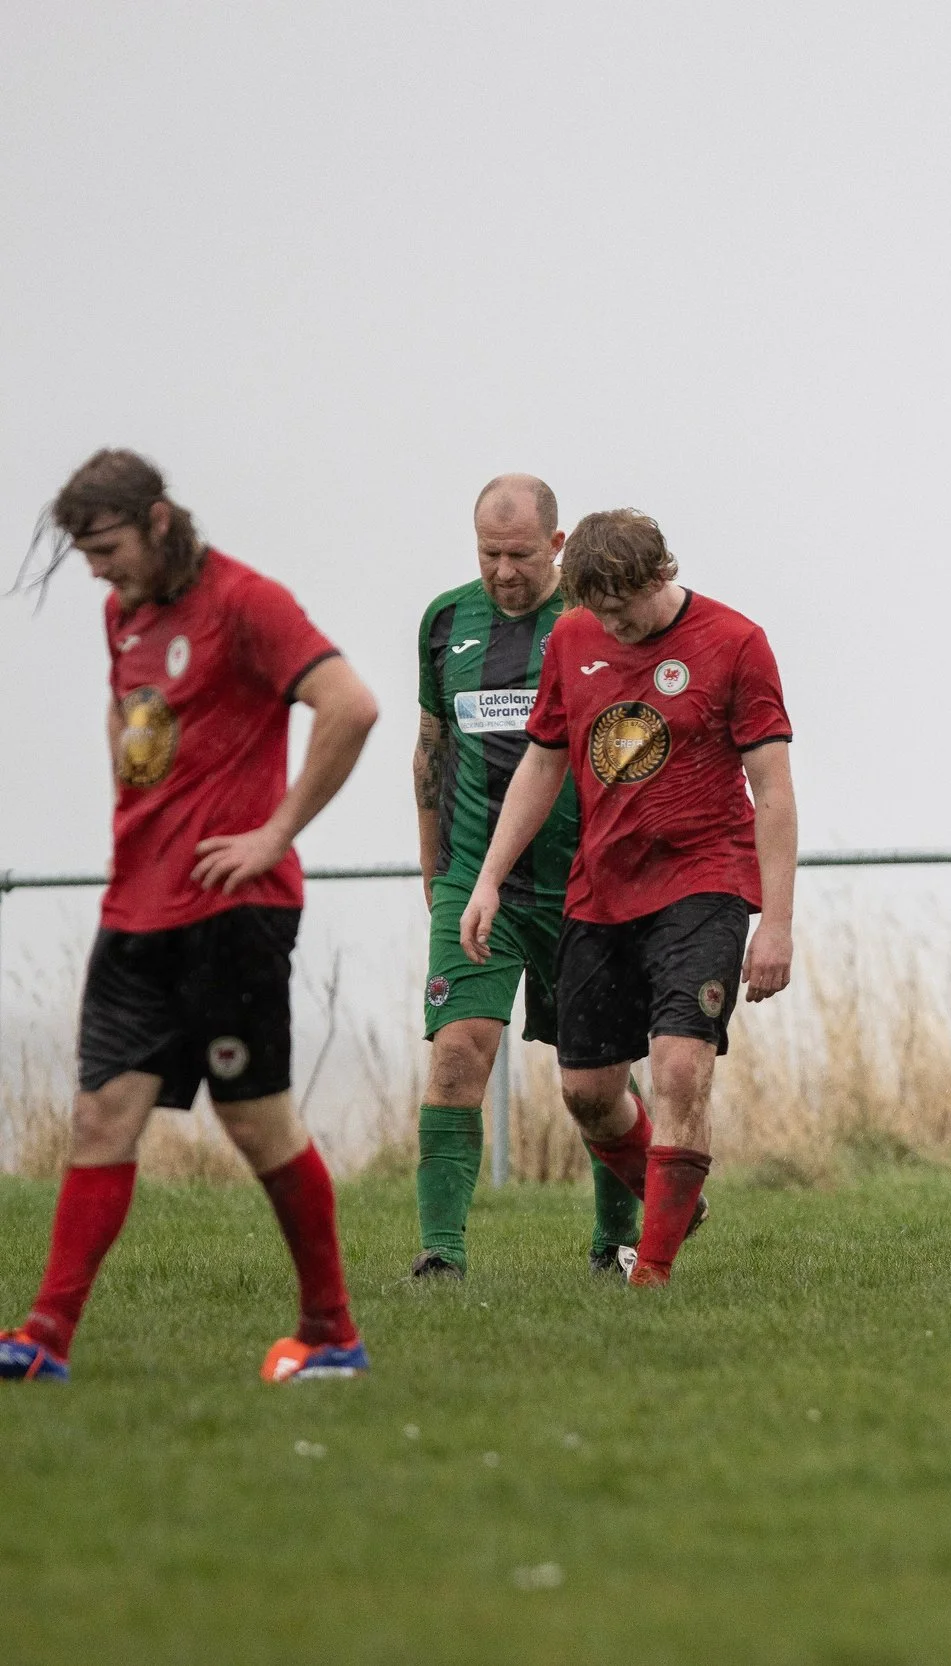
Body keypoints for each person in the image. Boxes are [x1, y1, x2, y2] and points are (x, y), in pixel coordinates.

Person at [2, 451, 380, 1383]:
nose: (97, 568)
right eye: (86, 553)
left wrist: (273, 832)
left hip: (232, 912)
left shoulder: (248, 602)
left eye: (108, 547)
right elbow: (129, 719)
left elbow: (352, 706)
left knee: (255, 1124)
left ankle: (332, 1333)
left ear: (160, 522)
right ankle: (43, 1338)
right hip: (136, 910)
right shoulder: (121, 615)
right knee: (100, 1117)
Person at [461, 509, 795, 1287]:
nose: (613, 623)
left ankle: (652, 1270)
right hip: (600, 891)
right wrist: (486, 879)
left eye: (625, 607)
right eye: (597, 608)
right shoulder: (572, 640)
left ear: (659, 576)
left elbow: (773, 790)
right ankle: (670, 1190)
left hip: (703, 881)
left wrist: (774, 925)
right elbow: (543, 765)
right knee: (586, 1093)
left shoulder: (736, 642)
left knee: (681, 1071)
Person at [410, 474, 643, 1278]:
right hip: (477, 886)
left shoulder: (594, 621)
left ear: (556, 545)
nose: (502, 571)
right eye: (487, 553)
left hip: (585, 887)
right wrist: (435, 873)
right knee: (457, 1056)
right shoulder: (445, 623)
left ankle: (616, 1240)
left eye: (518, 554)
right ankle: (441, 1253)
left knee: (596, 1081)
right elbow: (430, 751)